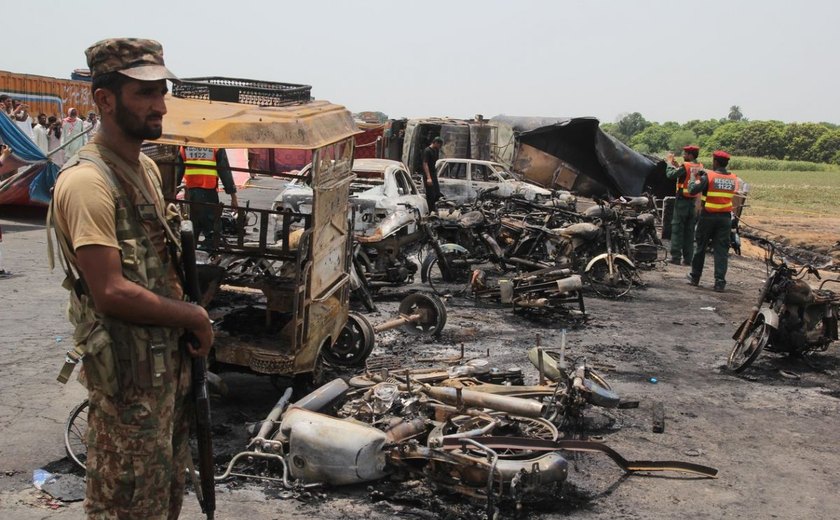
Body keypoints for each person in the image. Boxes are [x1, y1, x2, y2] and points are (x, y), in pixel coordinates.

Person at [49, 38, 213, 519]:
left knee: (163, 502)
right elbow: (111, 291)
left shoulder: (143, 166)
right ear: (104, 99)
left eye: (161, 91)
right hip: (128, 388)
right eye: (143, 93)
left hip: (165, 377)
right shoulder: (88, 183)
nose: (159, 105)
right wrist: (194, 315)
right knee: (124, 508)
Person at [686, 150, 737, 292]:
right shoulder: (733, 178)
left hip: (708, 216)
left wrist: (693, 177)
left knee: (701, 247)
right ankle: (720, 282)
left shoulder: (709, 176)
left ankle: (695, 277)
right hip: (725, 218)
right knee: (721, 250)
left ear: (715, 162)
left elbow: (692, 190)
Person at [176, 145, 238, 242]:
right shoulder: (215, 145)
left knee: (193, 224)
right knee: (211, 225)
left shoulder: (184, 146)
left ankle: (192, 249)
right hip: (208, 190)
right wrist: (233, 197)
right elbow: (224, 171)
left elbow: (177, 172)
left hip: (191, 191)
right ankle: (212, 250)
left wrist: (172, 192)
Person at [665, 145, 703, 265]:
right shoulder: (699, 166)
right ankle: (688, 259)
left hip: (682, 201)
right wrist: (677, 166)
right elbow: (686, 175)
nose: (683, 155)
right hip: (693, 202)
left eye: (685, 154)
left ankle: (675, 257)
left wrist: (670, 163)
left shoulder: (685, 165)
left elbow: (670, 175)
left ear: (691, 155)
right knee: (689, 231)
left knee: (677, 228)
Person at [421, 136, 443, 210]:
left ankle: (433, 208)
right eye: (439, 145)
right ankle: (430, 210)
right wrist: (428, 177)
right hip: (428, 175)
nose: (439, 147)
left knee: (437, 193)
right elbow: (425, 163)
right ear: (436, 143)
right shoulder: (427, 151)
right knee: (430, 194)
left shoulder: (435, 150)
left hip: (433, 174)